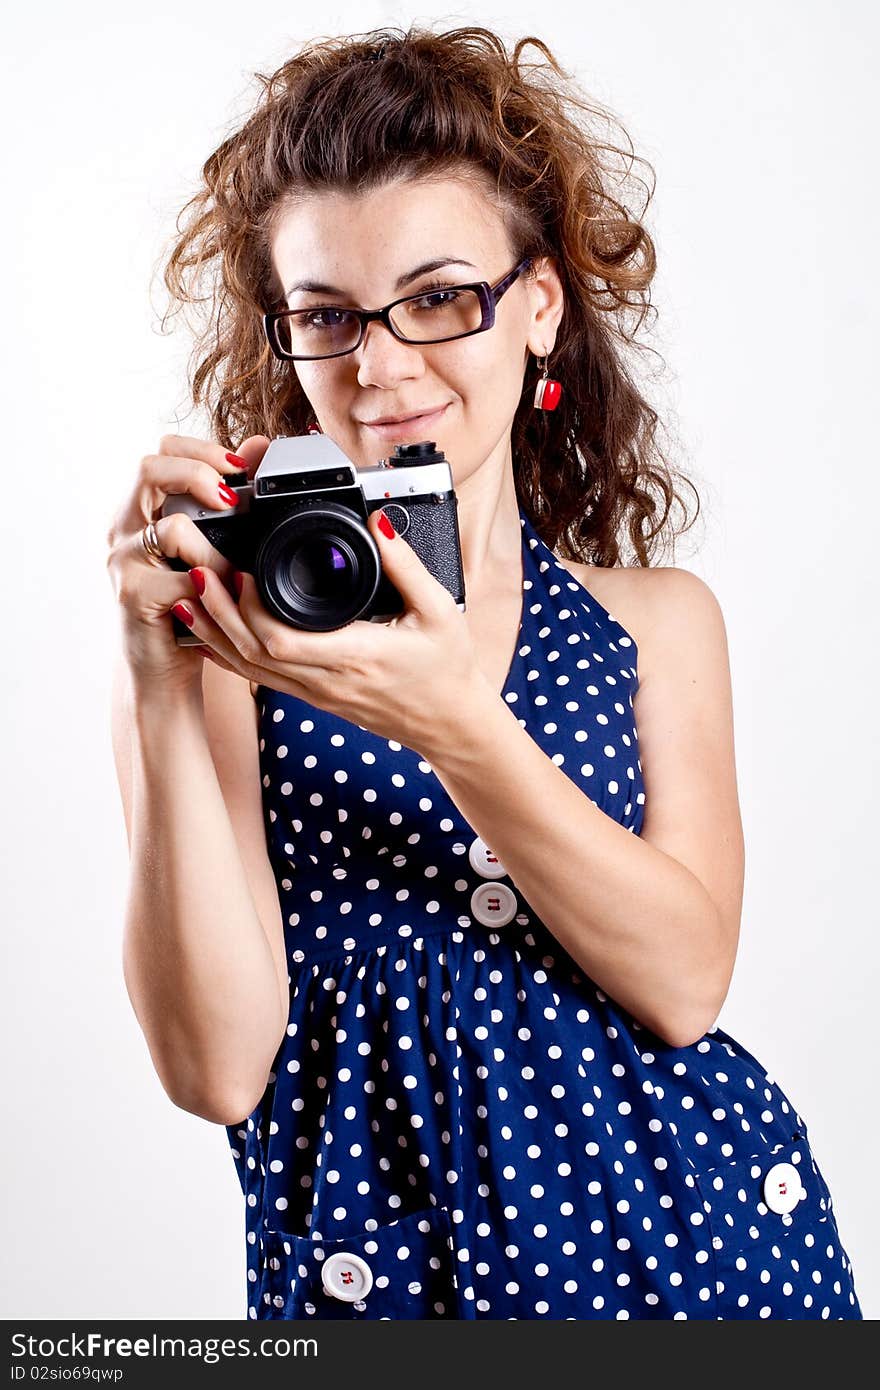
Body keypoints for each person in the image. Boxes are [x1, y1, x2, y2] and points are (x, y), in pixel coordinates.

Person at [106, 25, 862, 1321]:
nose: (380, 365)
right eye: (327, 315)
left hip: (699, 1258)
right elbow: (219, 1068)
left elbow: (686, 982)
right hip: (379, 1284)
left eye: (441, 297)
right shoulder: (225, 649)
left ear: (541, 306)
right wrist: (153, 671)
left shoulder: (657, 624)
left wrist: (459, 724)